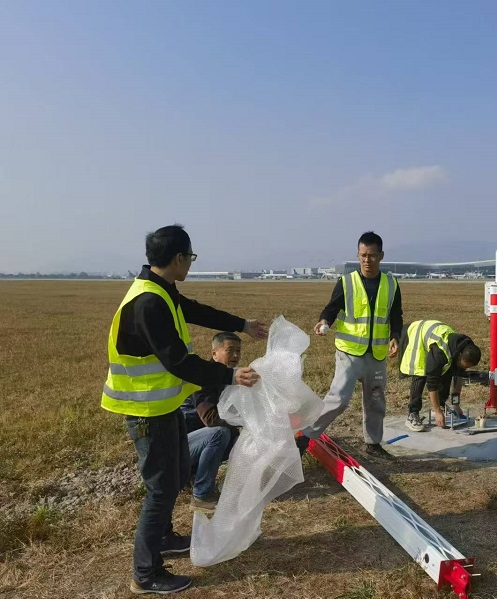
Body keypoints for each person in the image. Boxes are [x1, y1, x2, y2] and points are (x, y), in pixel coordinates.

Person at [100, 225, 267, 595]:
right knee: (161, 489)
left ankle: (163, 538)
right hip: (146, 411)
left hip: (165, 405)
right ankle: (145, 574)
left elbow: (193, 310)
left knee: (175, 475)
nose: (190, 264)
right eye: (190, 258)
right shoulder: (147, 302)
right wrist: (229, 374)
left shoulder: (162, 291)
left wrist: (241, 325)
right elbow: (178, 361)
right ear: (178, 259)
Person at [295, 231, 402, 461]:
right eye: (363, 255)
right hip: (350, 354)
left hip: (377, 354)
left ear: (381, 256)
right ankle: (305, 436)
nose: (367, 260)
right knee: (339, 400)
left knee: (375, 401)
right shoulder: (347, 282)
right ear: (358, 254)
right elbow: (331, 308)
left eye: (372, 256)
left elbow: (396, 315)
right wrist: (324, 321)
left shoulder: (391, 284)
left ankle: (373, 444)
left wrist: (395, 337)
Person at [180, 332, 243, 513]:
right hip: (176, 451)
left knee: (236, 437)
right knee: (220, 433)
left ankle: (193, 475)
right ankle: (201, 495)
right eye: (230, 350)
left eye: (238, 351)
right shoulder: (204, 378)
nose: (236, 356)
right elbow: (210, 419)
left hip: (194, 445)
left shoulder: (226, 378)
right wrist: (243, 425)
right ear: (214, 353)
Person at [399, 320, 481, 431]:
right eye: (464, 365)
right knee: (420, 373)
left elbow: (458, 376)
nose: (465, 368)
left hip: (434, 332)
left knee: (447, 371)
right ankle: (412, 414)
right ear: (460, 355)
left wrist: (456, 404)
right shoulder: (440, 353)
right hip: (417, 335)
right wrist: (437, 411)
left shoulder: (466, 348)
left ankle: (440, 404)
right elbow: (431, 384)